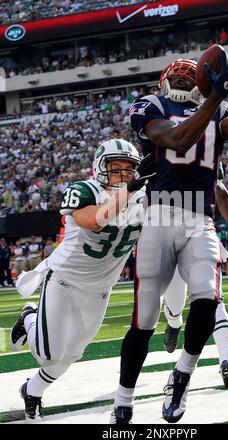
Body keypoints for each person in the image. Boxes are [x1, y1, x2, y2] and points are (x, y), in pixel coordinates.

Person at [111, 30, 228, 424]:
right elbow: (176, 140)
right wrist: (215, 96)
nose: (181, 79)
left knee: (208, 300)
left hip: (200, 217)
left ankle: (182, 376)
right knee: (143, 321)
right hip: (159, 217)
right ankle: (123, 400)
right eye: (176, 76)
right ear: (164, 82)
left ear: (199, 80)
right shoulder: (149, 106)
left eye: (188, 75)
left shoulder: (216, 107)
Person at [10, 139, 156, 421]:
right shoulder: (84, 190)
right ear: (101, 167)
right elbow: (93, 221)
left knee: (71, 354)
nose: (124, 174)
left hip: (101, 288)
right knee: (49, 354)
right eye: (117, 168)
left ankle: (32, 391)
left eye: (130, 170)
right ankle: (29, 316)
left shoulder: (143, 196)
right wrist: (132, 189)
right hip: (64, 280)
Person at [163, 170, 228, 389]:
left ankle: (227, 359)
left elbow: (220, 189)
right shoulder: (165, 154)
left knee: (214, 301)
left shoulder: (201, 151)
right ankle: (174, 323)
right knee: (179, 306)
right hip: (171, 240)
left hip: (198, 236)